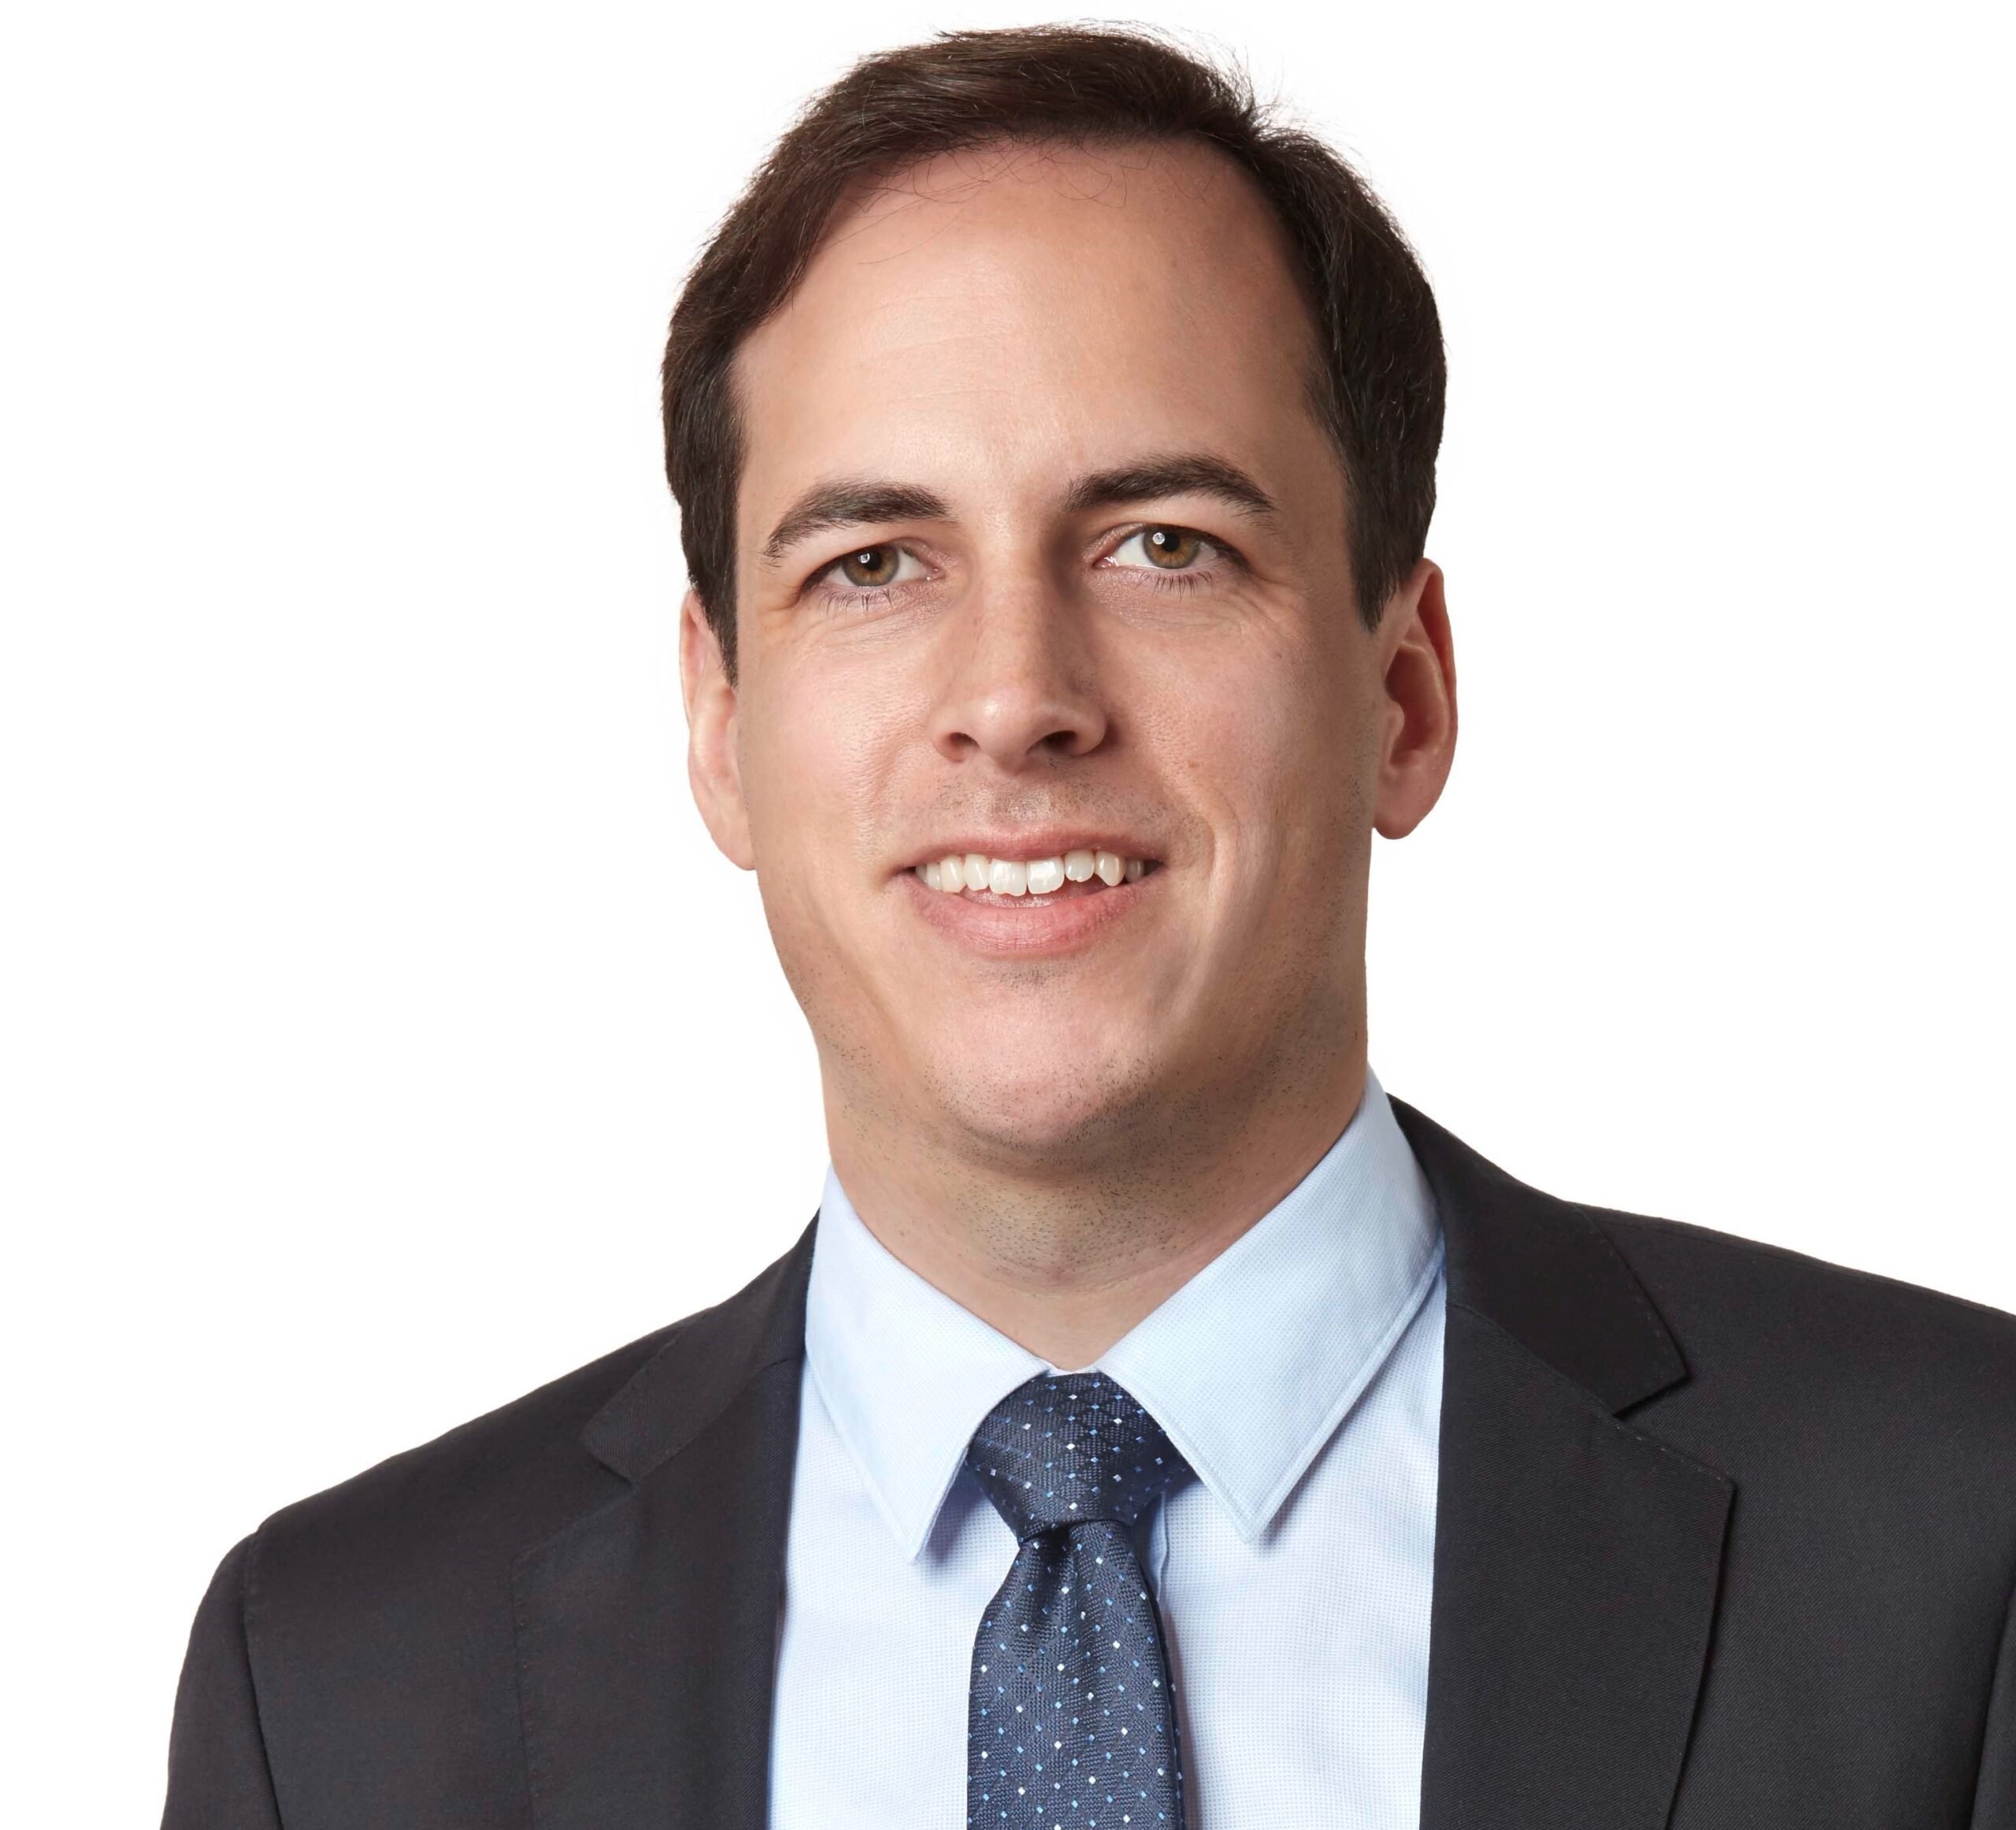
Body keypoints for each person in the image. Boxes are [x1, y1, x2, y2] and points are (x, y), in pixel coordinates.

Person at [161, 24, 2016, 1829]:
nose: (1015, 698)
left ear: (1402, 694)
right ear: (719, 725)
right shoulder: (334, 1686)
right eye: (871, 565)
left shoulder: (1958, 1539)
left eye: (1163, 544)